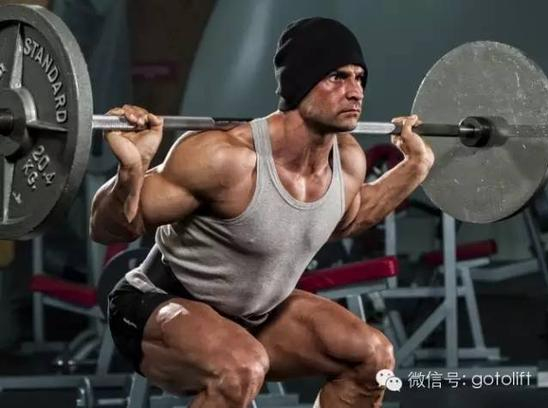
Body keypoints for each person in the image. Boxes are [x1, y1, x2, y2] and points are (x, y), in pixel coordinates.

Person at [91, 17, 434, 408]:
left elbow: (350, 217)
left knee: (373, 358)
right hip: (154, 306)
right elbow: (107, 228)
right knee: (241, 368)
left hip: (255, 316)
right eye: (337, 77)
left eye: (359, 78)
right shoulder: (226, 159)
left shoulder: (347, 158)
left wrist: (415, 167)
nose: (355, 91)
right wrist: (131, 171)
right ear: (300, 83)